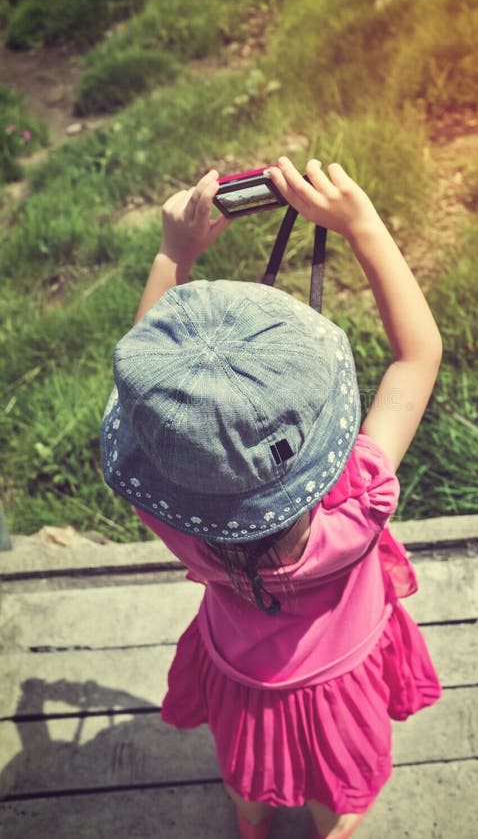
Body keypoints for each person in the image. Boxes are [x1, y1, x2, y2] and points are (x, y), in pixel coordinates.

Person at [101, 157, 443, 839]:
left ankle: (252, 822)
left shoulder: (174, 514)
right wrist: (362, 225)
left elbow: (144, 417)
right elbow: (418, 355)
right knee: (337, 783)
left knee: (246, 765)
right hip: (341, 671)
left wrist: (174, 253)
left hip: (240, 667)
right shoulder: (359, 497)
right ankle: (332, 830)